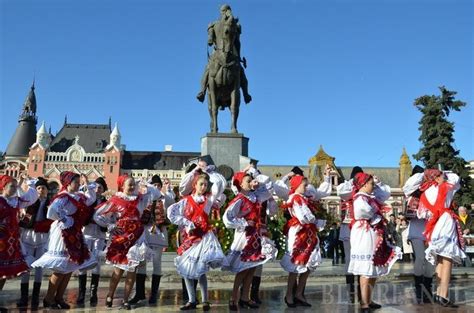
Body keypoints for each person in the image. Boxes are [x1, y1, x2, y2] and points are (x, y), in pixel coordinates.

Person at [94, 174, 161, 310]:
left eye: (133, 184)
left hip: (136, 237)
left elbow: (156, 195)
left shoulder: (140, 199)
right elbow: (98, 215)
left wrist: (146, 185)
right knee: (118, 269)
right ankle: (110, 295)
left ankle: (125, 299)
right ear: (122, 186)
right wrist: (111, 226)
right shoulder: (116, 200)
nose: (131, 187)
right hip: (122, 237)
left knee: (132, 269)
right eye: (129, 185)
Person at [32, 172, 97, 309]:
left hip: (74, 232)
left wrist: (88, 186)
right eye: (76, 182)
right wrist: (65, 218)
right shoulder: (63, 197)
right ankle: (49, 298)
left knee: (69, 267)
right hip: (63, 233)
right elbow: (52, 211)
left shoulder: (78, 196)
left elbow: (90, 199)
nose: (78, 185)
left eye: (79, 183)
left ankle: (59, 297)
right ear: (68, 183)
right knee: (60, 268)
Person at [167, 168, 226, 311]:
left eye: (206, 184)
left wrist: (210, 172)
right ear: (194, 185)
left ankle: (205, 300)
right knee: (186, 268)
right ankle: (192, 300)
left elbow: (219, 184)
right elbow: (172, 213)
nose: (204, 187)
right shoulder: (186, 201)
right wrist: (187, 223)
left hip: (204, 237)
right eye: (201, 184)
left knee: (201, 270)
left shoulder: (208, 200)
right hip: (190, 237)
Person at [223, 166, 277, 311]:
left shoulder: (256, 196)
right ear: (241, 184)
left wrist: (256, 177)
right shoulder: (240, 199)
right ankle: (234, 297)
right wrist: (244, 223)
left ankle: (245, 297)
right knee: (242, 269)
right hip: (244, 237)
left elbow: (269, 186)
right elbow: (227, 218)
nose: (252, 182)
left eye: (252, 180)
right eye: (248, 181)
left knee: (252, 268)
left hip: (255, 236)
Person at [277, 167, 332, 308]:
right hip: (299, 232)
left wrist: (326, 177)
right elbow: (304, 217)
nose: (307, 187)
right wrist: (315, 220)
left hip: (308, 232)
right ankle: (290, 294)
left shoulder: (304, 197)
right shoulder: (295, 198)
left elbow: (318, 195)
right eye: (304, 185)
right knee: (296, 264)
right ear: (296, 185)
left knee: (308, 263)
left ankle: (299, 293)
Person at [348, 172, 401, 312]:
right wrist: (376, 215)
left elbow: (384, 195)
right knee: (366, 267)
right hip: (363, 233)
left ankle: (369, 299)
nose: (373, 186)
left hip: (371, 232)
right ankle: (364, 302)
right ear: (364, 184)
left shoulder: (368, 197)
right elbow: (362, 212)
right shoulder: (360, 198)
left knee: (372, 266)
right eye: (371, 184)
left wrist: (378, 183)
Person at [419, 169, 465, 307]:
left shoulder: (426, 193)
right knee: (447, 259)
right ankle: (443, 295)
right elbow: (456, 178)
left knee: (440, 258)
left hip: (435, 225)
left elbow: (422, 214)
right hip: (446, 222)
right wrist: (445, 175)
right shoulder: (445, 186)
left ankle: (439, 293)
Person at [130, 175, 175, 305]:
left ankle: (154, 294)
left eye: (158, 185)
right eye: (153, 185)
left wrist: (165, 189)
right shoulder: (146, 198)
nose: (155, 187)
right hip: (145, 233)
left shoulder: (165, 198)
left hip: (158, 234)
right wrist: (139, 184)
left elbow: (170, 200)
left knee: (156, 262)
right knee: (142, 262)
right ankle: (139, 293)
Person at [196, 4, 252, 104]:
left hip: (231, 52)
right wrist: (210, 37)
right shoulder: (214, 25)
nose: (224, 13)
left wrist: (238, 56)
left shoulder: (235, 25)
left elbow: (238, 42)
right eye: (223, 11)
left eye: (225, 11)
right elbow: (210, 39)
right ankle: (202, 92)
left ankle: (245, 94)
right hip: (217, 51)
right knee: (208, 68)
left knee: (241, 72)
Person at [17, 177, 53, 308]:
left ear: (47, 191)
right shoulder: (29, 202)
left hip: (42, 237)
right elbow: (20, 196)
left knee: (39, 268)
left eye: (43, 188)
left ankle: (36, 297)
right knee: (26, 268)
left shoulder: (50, 203)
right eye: (38, 188)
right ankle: (24, 297)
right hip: (28, 236)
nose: (41, 190)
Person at [0, 174, 38, 292]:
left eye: (16, 186)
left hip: (10, 241)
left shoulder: (15, 201)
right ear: (4, 186)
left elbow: (31, 199)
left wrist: (30, 183)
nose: (15, 189)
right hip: (1, 240)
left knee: (4, 273)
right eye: (12, 186)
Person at [403, 165, 435, 303]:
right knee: (420, 257)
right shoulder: (411, 191)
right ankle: (418, 288)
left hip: (429, 229)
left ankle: (427, 288)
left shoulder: (429, 190)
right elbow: (410, 185)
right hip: (416, 230)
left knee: (430, 259)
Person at [76, 177, 108, 305]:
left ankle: (93, 293)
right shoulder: (88, 200)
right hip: (87, 233)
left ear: (103, 189)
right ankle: (81, 293)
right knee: (83, 262)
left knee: (97, 263)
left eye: (100, 187)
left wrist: (104, 223)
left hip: (100, 235)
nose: (97, 189)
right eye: (95, 187)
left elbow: (110, 219)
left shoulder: (107, 203)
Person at [336, 166, 364, 303]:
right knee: (349, 258)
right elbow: (342, 192)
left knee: (361, 256)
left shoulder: (364, 189)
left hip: (361, 226)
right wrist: (352, 182)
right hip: (348, 226)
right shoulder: (347, 188)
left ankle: (361, 288)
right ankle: (351, 289)